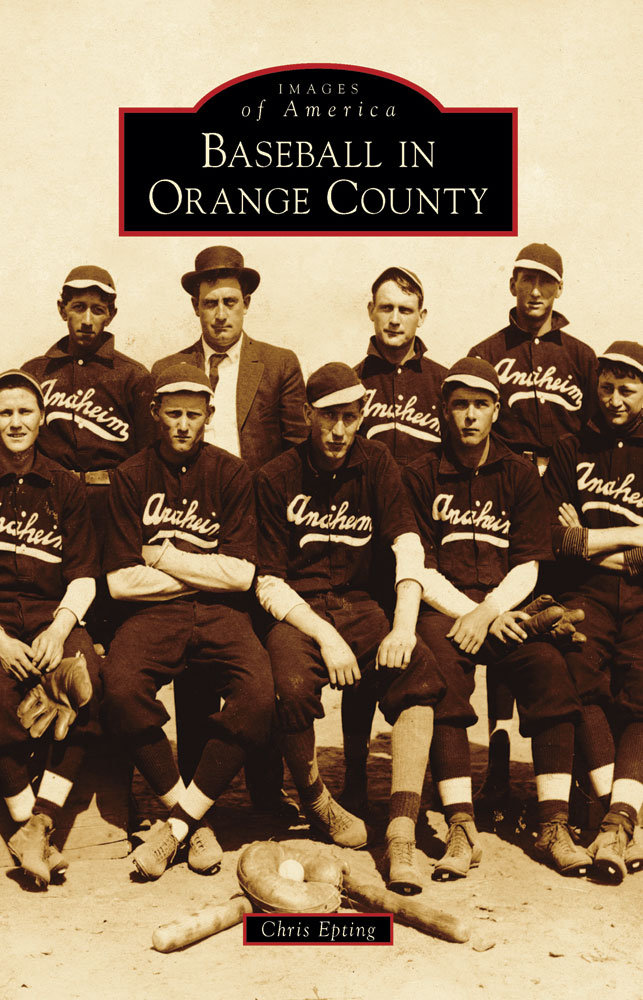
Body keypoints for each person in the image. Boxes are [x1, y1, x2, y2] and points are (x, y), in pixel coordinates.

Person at [254, 362, 446, 894]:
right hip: (300, 609)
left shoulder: (377, 462)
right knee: (289, 685)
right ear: (308, 415)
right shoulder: (276, 475)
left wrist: (403, 627)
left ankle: (401, 832)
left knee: (420, 676)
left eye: (350, 417)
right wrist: (324, 634)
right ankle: (320, 804)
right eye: (329, 417)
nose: (339, 431)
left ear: (362, 416)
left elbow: (408, 546)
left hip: (363, 606)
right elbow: (268, 582)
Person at [403, 357, 589, 879]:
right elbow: (420, 564)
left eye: (480, 405)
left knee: (550, 668)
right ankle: (461, 824)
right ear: (443, 409)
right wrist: (471, 612)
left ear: (495, 411)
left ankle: (554, 821)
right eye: (459, 404)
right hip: (446, 609)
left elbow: (528, 561)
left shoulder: (518, 471)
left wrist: (491, 611)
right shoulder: (420, 472)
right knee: (439, 677)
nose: (468, 416)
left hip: (504, 608)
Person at [100, 364, 275, 880]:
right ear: (155, 414)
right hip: (153, 615)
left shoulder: (231, 472)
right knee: (120, 689)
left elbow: (242, 575)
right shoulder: (131, 475)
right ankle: (192, 818)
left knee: (259, 696)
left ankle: (174, 826)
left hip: (221, 616)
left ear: (209, 417)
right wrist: (205, 571)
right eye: (172, 413)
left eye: (192, 416)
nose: (182, 424)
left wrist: (163, 556)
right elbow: (118, 582)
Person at [152, 245, 307, 816]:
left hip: (255, 527)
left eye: (230, 302)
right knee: (195, 663)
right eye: (209, 303)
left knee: (257, 661)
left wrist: (254, 505)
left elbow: (295, 451)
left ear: (247, 305)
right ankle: (199, 801)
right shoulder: (170, 372)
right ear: (195, 307)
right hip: (191, 531)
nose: (220, 314)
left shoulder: (279, 363)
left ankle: (268, 794)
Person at [468, 243, 598, 801]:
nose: (536, 291)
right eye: (527, 280)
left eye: (547, 282)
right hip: (509, 493)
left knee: (562, 617)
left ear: (560, 290)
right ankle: (498, 747)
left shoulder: (582, 355)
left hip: (563, 493)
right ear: (513, 284)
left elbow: (596, 436)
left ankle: (565, 758)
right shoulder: (486, 350)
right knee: (509, 611)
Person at [342, 265, 446, 813]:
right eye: (386, 308)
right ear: (371, 312)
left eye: (406, 310)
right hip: (362, 545)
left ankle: (424, 782)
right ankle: (355, 771)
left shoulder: (443, 384)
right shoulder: (353, 385)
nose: (395, 319)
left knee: (427, 653)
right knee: (362, 664)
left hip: (427, 543)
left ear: (421, 317)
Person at [542, 340, 643, 882]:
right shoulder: (570, 444)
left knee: (642, 696)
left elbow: (580, 535)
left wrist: (594, 534)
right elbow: (558, 540)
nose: (615, 400)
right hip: (588, 591)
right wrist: (632, 537)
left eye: (627, 389)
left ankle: (618, 820)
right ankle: (619, 816)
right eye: (606, 387)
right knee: (579, 681)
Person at [0, 370, 102, 888]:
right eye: (4, 412)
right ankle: (25, 825)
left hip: (49, 617)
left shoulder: (65, 484)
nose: (15, 422)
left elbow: (83, 573)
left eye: (24, 411)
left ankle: (40, 821)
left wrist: (61, 630)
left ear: (42, 418)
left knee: (90, 687)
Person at [22, 265, 155, 647]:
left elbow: (146, 455)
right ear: (61, 309)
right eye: (78, 307)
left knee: (111, 609)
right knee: (57, 594)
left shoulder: (133, 376)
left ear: (111, 314)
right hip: (51, 504)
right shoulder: (37, 373)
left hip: (112, 503)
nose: (87, 319)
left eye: (98, 309)